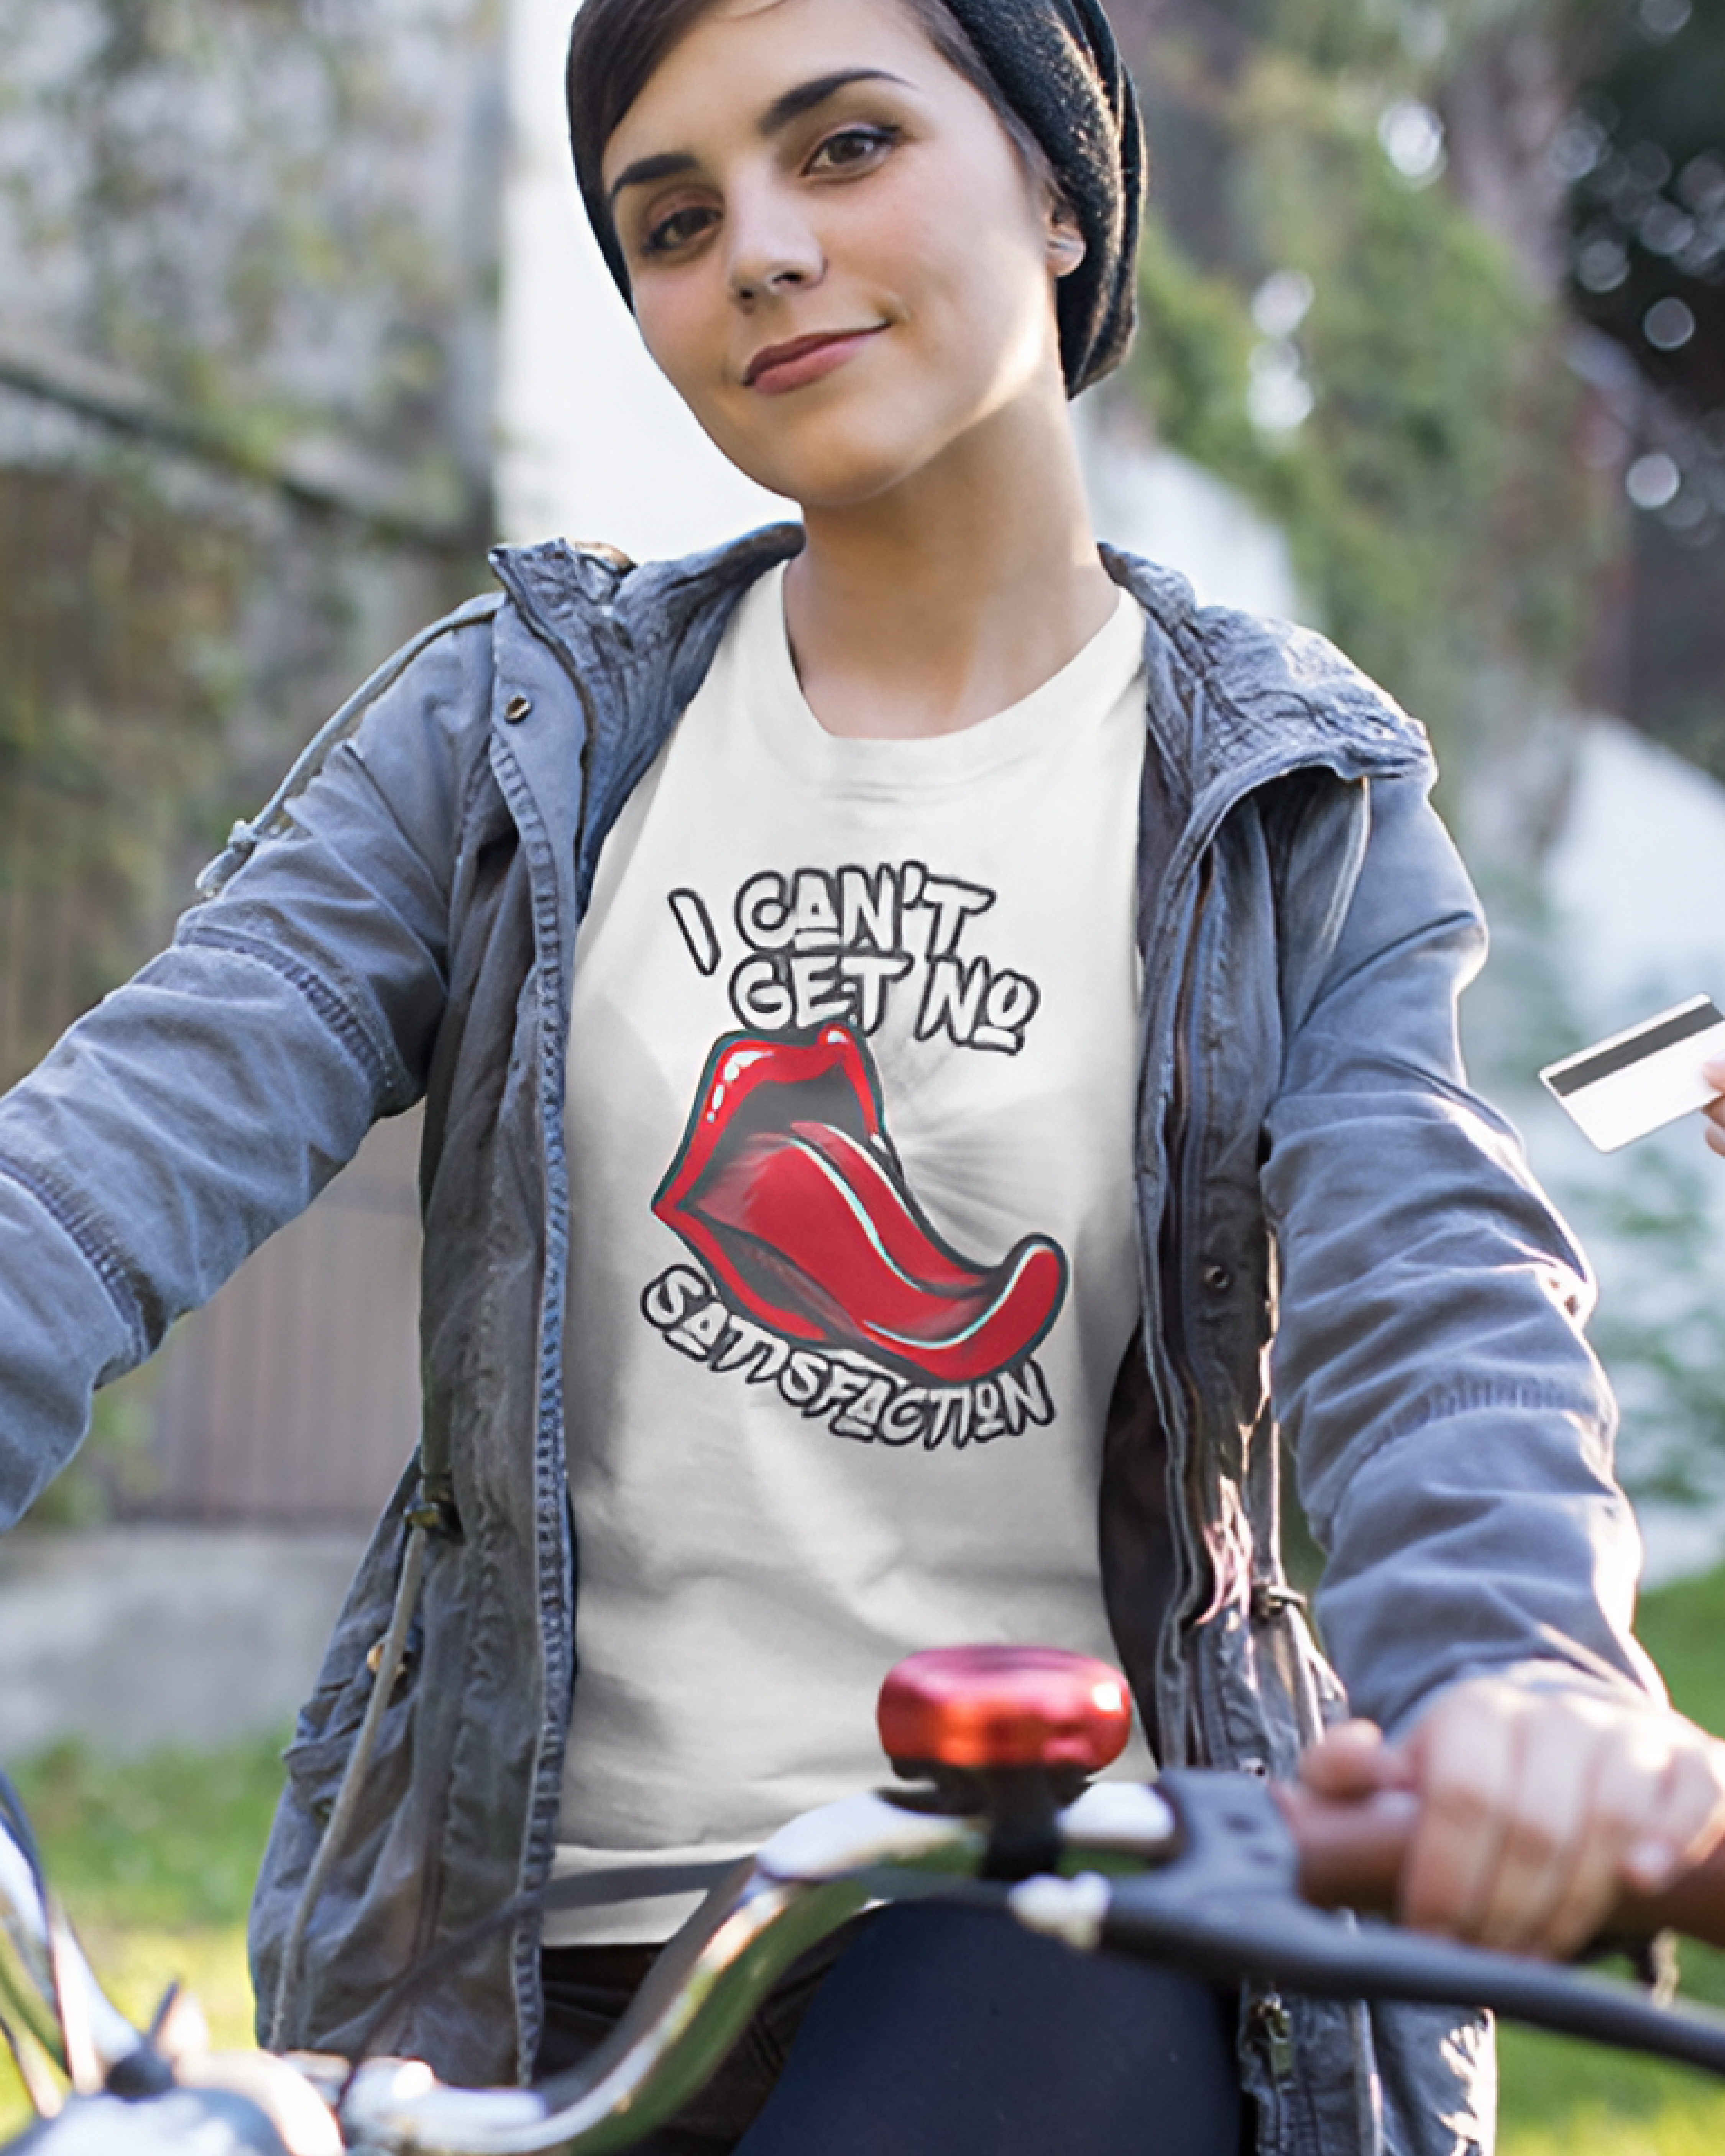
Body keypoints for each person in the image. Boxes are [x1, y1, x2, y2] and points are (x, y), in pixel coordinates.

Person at [0, 0, 1722, 2149]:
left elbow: (1433, 1287)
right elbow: (120, 1147)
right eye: (674, 219)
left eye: (843, 146)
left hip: (1040, 1933)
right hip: (506, 1980)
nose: (761, 250)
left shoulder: (1287, 798)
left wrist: (1518, 1679)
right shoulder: (519, 732)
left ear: (1063, 188)